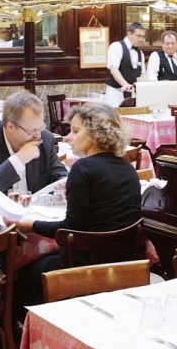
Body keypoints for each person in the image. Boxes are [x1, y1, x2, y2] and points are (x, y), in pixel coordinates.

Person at [13, 102, 142, 305]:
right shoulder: (127, 168)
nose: (68, 137)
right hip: (124, 263)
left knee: (21, 274)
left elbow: (72, 228)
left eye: (75, 130)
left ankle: (29, 330)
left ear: (95, 133)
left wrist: (31, 224)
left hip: (85, 265)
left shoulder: (82, 168)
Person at [0, 91, 68, 195]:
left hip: (37, 210)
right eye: (31, 131)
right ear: (11, 127)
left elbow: (59, 175)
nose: (38, 135)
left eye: (40, 128)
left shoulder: (45, 139)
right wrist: (18, 160)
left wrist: (65, 185)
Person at [104, 22, 147, 106]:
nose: (141, 39)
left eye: (143, 36)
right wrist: (126, 85)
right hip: (115, 92)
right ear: (129, 34)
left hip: (133, 95)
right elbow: (114, 69)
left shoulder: (140, 53)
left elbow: (142, 73)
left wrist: (141, 88)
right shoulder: (116, 46)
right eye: (138, 36)